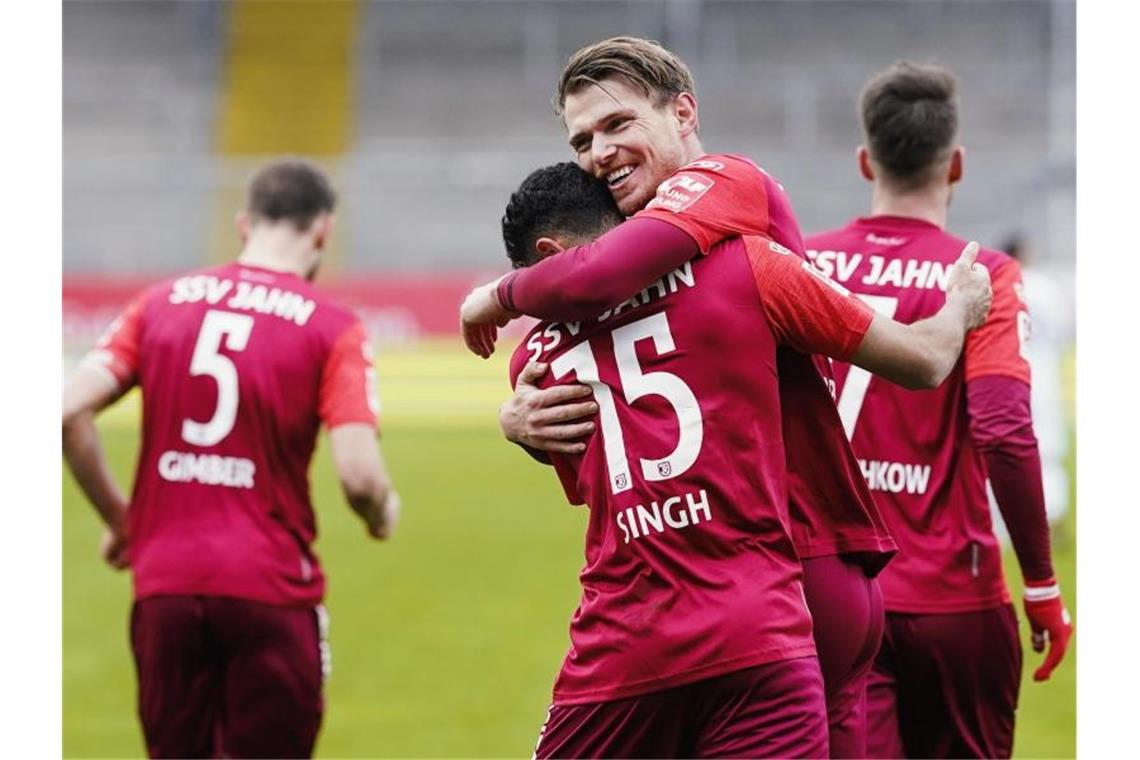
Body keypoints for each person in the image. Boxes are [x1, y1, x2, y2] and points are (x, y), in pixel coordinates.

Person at [461, 37, 983, 757]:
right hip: (756, 576)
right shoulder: (695, 270)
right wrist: (515, 419)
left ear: (684, 113)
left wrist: (495, 298)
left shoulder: (722, 190)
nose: (598, 153)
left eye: (617, 125)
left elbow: (594, 279)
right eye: (582, 139)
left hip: (793, 557)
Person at [62, 159, 401, 759]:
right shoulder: (333, 326)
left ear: (244, 225)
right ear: (323, 231)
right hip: (270, 588)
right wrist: (381, 513)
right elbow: (359, 475)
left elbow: (67, 412)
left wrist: (123, 522)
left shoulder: (159, 302)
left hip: (163, 586)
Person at [804, 62, 1073, 758]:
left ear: (866, 160)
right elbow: (1007, 431)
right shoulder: (980, 276)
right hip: (956, 597)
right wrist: (1041, 583)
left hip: (834, 597)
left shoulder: (805, 264)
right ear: (956, 166)